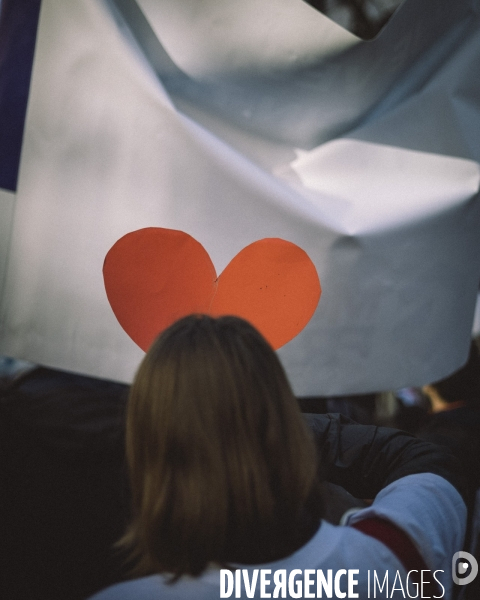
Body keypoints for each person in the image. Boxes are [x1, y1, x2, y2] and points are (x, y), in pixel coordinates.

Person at [89, 315, 467, 599]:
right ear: (285, 426)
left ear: (146, 450)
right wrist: (267, 428)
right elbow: (425, 463)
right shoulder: (392, 561)